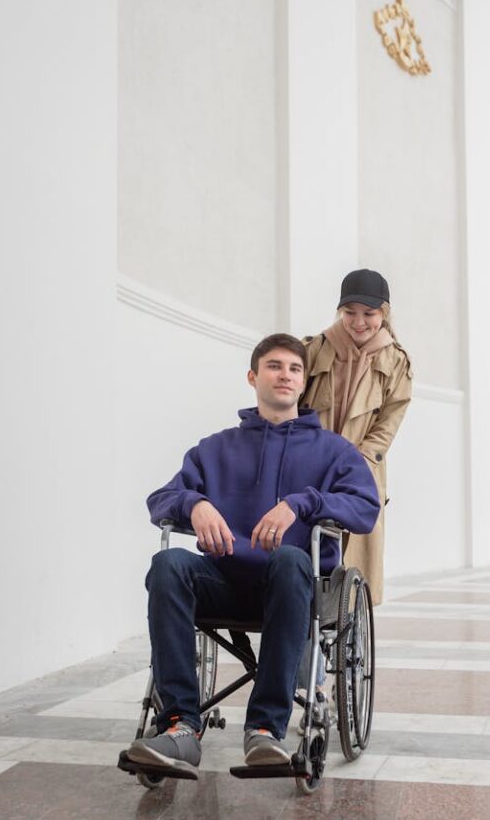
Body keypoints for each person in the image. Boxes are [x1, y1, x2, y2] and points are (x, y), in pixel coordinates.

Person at [124, 333, 380, 778]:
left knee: (291, 559)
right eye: (275, 366)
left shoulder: (334, 451)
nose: (285, 376)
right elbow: (160, 500)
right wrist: (194, 504)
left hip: (293, 588)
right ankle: (181, 724)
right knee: (167, 564)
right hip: (224, 582)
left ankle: (264, 728)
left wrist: (303, 503)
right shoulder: (215, 448)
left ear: (303, 384)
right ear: (253, 376)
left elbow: (365, 509)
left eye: (294, 369)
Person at [301, 269, 412, 604]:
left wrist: (352, 464)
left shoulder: (396, 362)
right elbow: (292, 403)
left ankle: (347, 629)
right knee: (303, 557)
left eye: (369, 314)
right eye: (350, 313)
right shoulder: (316, 349)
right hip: (309, 467)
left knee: (353, 569)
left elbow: (386, 428)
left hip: (360, 473)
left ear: (384, 313)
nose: (359, 322)